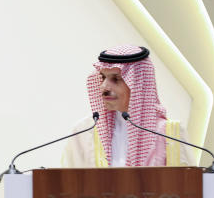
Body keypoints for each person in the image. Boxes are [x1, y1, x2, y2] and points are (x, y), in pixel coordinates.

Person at [61, 45, 193, 167]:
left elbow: (188, 187)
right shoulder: (83, 132)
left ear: (138, 84)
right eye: (103, 78)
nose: (104, 87)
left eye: (116, 79)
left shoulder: (170, 135)